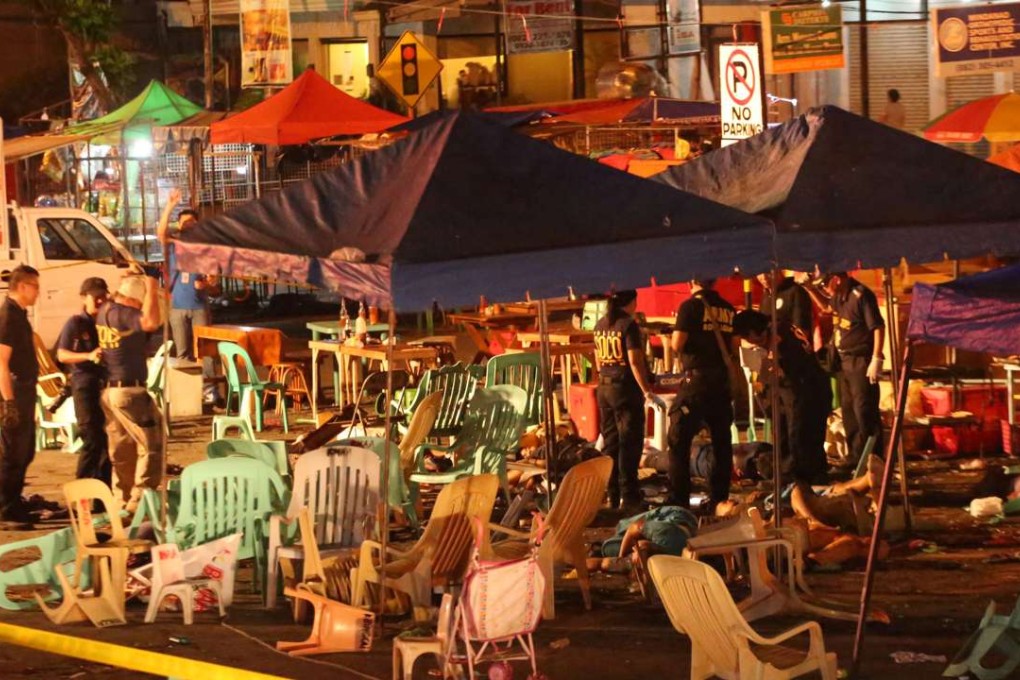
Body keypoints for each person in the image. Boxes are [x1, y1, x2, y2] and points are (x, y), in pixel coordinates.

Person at [733, 310, 831, 488]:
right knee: (783, 431)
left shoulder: (781, 337)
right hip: (792, 389)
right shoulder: (779, 326)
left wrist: (765, 368)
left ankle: (804, 479)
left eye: (748, 337)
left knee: (800, 435)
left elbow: (787, 371)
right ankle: (788, 475)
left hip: (805, 388)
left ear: (755, 333)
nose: (749, 342)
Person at [667, 279, 738, 512]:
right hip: (720, 382)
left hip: (696, 381)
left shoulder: (690, 307)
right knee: (721, 441)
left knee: (678, 439)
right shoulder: (728, 308)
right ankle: (719, 497)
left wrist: (668, 337)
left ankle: (679, 500)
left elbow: (678, 344)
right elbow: (734, 345)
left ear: (692, 281)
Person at [806, 272, 885, 467]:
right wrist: (810, 288)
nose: (824, 287)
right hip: (843, 361)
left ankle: (873, 459)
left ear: (837, 278)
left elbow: (877, 326)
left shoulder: (861, 295)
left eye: (825, 283)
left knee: (864, 410)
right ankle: (855, 456)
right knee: (849, 412)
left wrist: (877, 357)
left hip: (860, 361)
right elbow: (826, 308)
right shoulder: (840, 295)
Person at [97, 275, 162, 511]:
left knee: (122, 451)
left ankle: (120, 500)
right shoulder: (123, 313)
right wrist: (152, 288)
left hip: (111, 392)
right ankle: (140, 502)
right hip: (130, 393)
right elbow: (150, 322)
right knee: (152, 445)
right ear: (135, 299)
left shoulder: (106, 310)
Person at [593, 290, 661, 513]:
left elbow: (597, 358)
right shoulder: (628, 325)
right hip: (624, 388)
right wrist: (646, 390)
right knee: (629, 443)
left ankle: (612, 494)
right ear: (631, 302)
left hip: (603, 387)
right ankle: (629, 496)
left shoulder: (601, 324)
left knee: (611, 443)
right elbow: (634, 361)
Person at [158, 188, 219, 404]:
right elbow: (161, 233)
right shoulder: (173, 246)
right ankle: (188, 396)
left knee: (205, 352)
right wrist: (170, 206)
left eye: (192, 224)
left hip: (199, 307)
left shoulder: (205, 250)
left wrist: (208, 283)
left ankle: (210, 393)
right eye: (184, 224)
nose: (187, 227)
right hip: (177, 307)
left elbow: (214, 284)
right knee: (182, 353)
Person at [56, 277, 110, 486]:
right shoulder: (76, 323)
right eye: (95, 297)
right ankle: (83, 493)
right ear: (84, 297)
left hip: (105, 386)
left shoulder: (107, 321)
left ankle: (102, 495)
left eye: (103, 297)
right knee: (92, 440)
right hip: (84, 386)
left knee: (106, 443)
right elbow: (62, 355)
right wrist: (88, 356)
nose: (100, 301)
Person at [0, 266, 40, 528]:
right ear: (23, 286)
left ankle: (14, 503)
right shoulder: (8, 317)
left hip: (25, 391)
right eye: (36, 286)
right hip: (13, 392)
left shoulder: (19, 315)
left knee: (24, 452)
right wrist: (9, 402)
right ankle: (4, 510)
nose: (38, 292)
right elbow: (1, 361)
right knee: (11, 453)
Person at [757, 272, 813, 338]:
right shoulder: (765, 296)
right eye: (759, 273)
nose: (764, 277)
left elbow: (802, 332)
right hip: (770, 347)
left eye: (768, 272)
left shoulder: (795, 290)